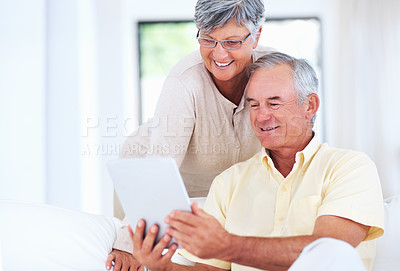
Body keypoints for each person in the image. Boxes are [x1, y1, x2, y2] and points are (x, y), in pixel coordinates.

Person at [129, 52, 385, 271]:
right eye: (253, 105)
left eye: (274, 103)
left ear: (310, 105)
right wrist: (162, 267)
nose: (262, 117)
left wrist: (228, 245)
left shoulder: (350, 168)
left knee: (333, 251)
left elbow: (330, 251)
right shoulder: (229, 182)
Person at [106, 0, 273, 270]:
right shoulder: (183, 83)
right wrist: (128, 245)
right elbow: (158, 166)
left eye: (232, 42)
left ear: (257, 36)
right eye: (208, 40)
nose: (219, 54)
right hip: (147, 177)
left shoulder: (274, 72)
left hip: (220, 194)